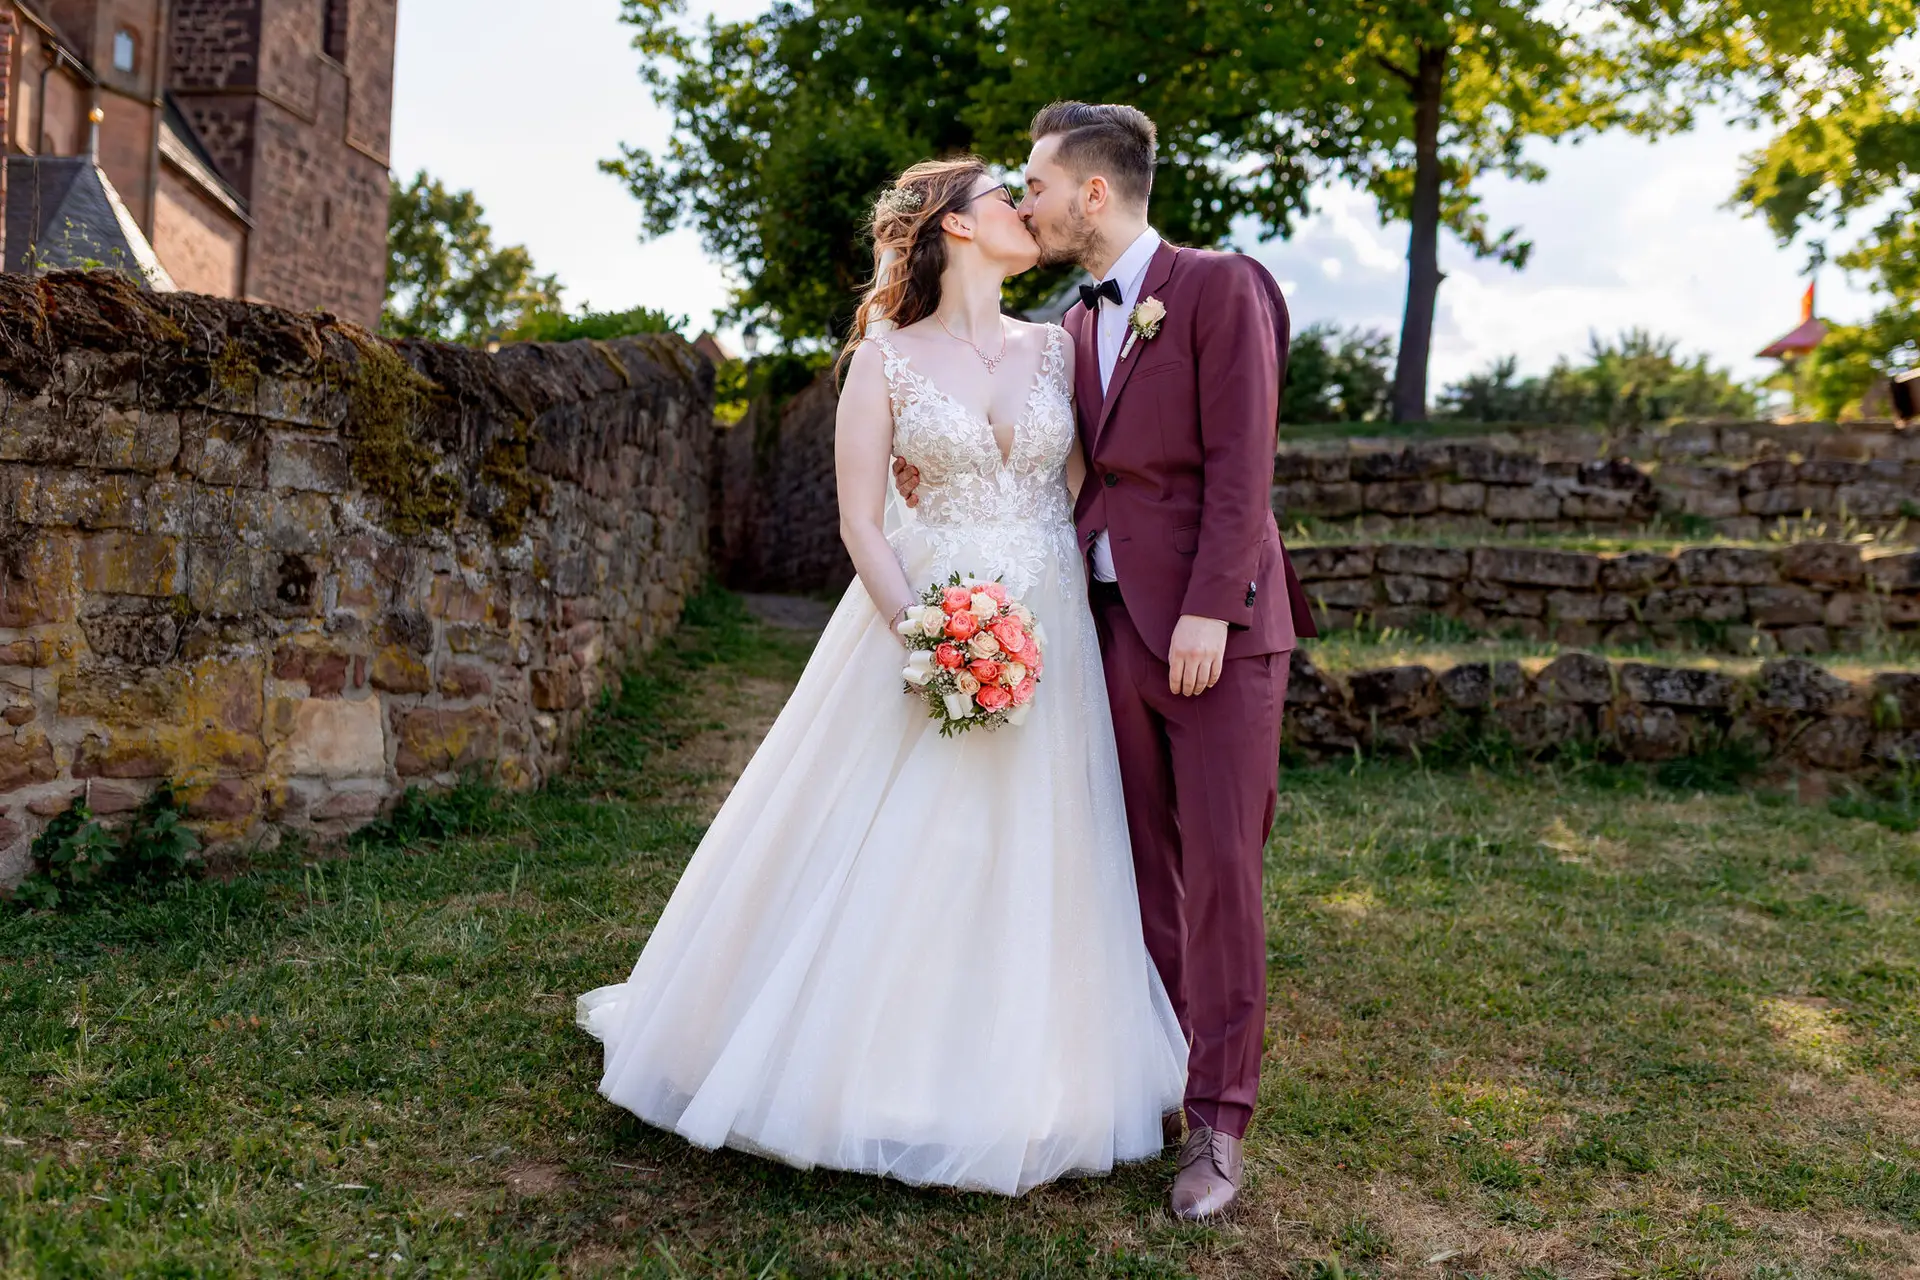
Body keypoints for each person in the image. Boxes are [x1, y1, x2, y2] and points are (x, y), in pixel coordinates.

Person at [577, 156, 1185, 1197]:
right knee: (906, 833)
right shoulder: (886, 361)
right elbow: (862, 518)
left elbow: (1086, 494)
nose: (1025, 210)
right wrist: (930, 637)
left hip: (1049, 626)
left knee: (1036, 840)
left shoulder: (1059, 349)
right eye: (1007, 198)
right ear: (954, 226)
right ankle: (860, 1063)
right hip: (927, 618)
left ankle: (1026, 1072)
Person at [896, 103, 1317, 1219]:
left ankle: (1221, 1125)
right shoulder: (1069, 329)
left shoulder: (1224, 285)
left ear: (1094, 192)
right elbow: (1060, 468)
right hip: (1104, 627)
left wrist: (1211, 611)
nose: (1023, 201)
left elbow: (1244, 464)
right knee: (1140, 870)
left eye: (1035, 183)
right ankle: (1163, 1077)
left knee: (1224, 869)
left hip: (1214, 634)